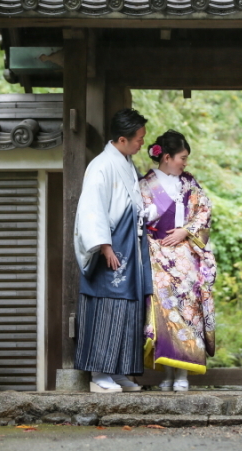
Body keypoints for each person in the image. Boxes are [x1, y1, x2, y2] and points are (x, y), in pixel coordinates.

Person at [73, 109, 153, 393]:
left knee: (128, 309)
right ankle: (99, 374)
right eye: (139, 138)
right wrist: (104, 246)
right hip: (113, 245)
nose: (142, 142)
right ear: (123, 138)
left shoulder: (126, 162)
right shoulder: (102, 165)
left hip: (129, 244)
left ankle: (119, 372)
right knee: (108, 307)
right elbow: (92, 209)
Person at [139, 130, 217, 392]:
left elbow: (204, 210)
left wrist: (186, 231)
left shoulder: (190, 184)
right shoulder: (145, 185)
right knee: (166, 316)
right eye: (182, 158)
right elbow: (139, 219)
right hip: (158, 257)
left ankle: (183, 375)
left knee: (189, 316)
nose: (185, 163)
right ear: (167, 157)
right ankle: (168, 374)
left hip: (187, 259)